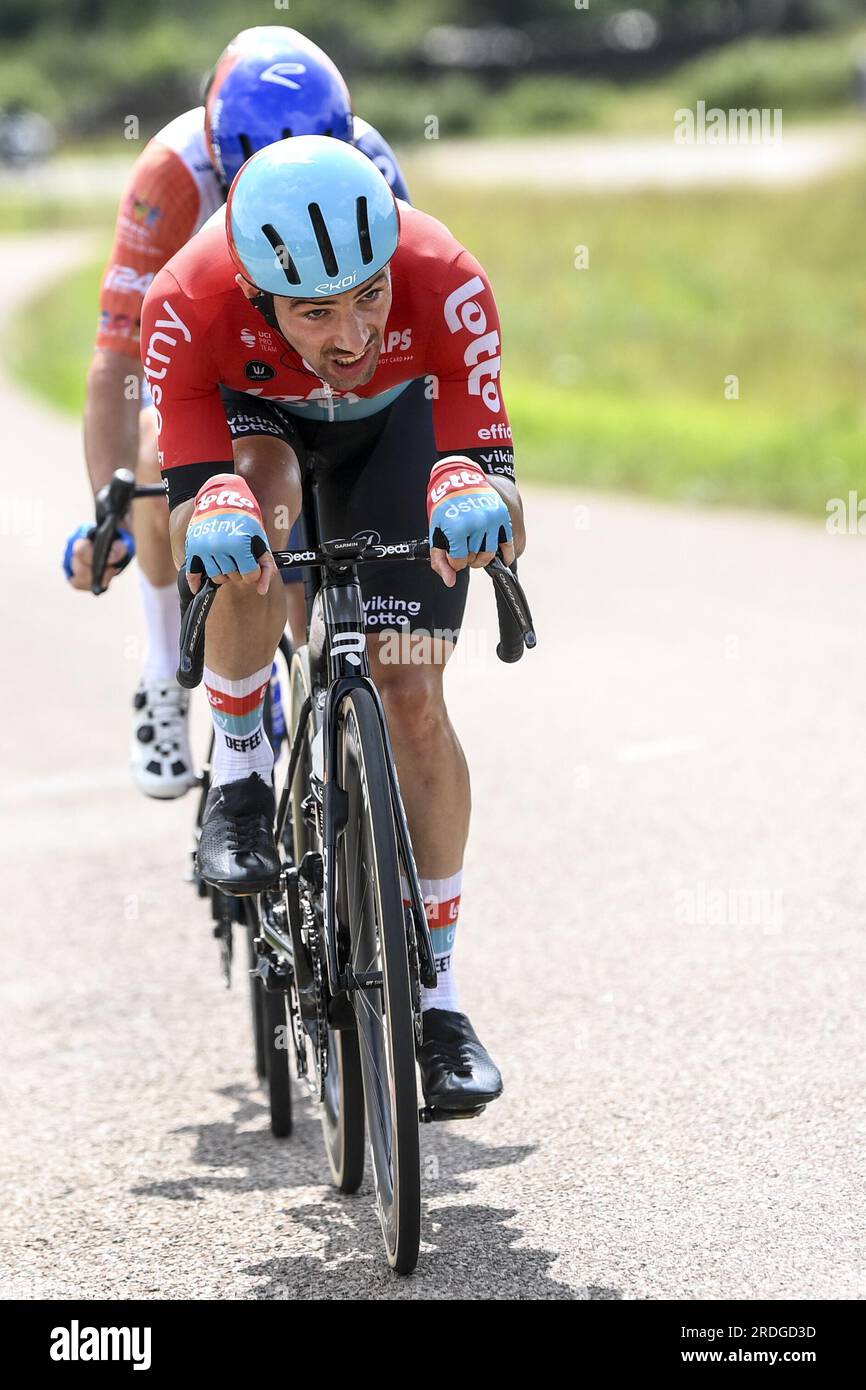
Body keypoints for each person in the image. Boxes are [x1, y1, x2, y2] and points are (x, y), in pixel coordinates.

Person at [139, 136, 526, 1112]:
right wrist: (212, 514)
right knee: (247, 513)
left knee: (411, 698)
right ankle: (237, 771)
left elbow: (503, 489)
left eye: (366, 295)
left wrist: (474, 490)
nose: (350, 333)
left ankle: (436, 1003)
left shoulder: (441, 278)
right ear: (257, 295)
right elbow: (185, 505)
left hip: (395, 428)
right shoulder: (188, 301)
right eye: (316, 312)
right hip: (257, 427)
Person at [63, 25, 410, 799]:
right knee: (161, 455)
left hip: (319, 370)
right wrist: (109, 509)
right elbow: (120, 358)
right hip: (210, 368)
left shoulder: (370, 164)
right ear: (221, 158)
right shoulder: (171, 175)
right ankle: (163, 677)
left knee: (303, 563)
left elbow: (404, 323)